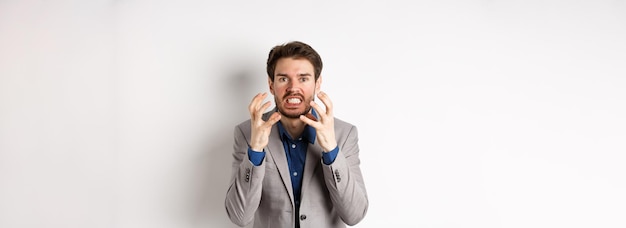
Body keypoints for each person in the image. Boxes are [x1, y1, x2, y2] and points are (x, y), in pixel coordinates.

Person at [224, 41, 369, 228]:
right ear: (271, 85)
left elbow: (354, 215)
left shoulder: (344, 133)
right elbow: (239, 217)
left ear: (317, 84)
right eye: (284, 79)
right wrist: (256, 151)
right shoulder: (246, 133)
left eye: (303, 78)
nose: (293, 88)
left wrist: (331, 150)